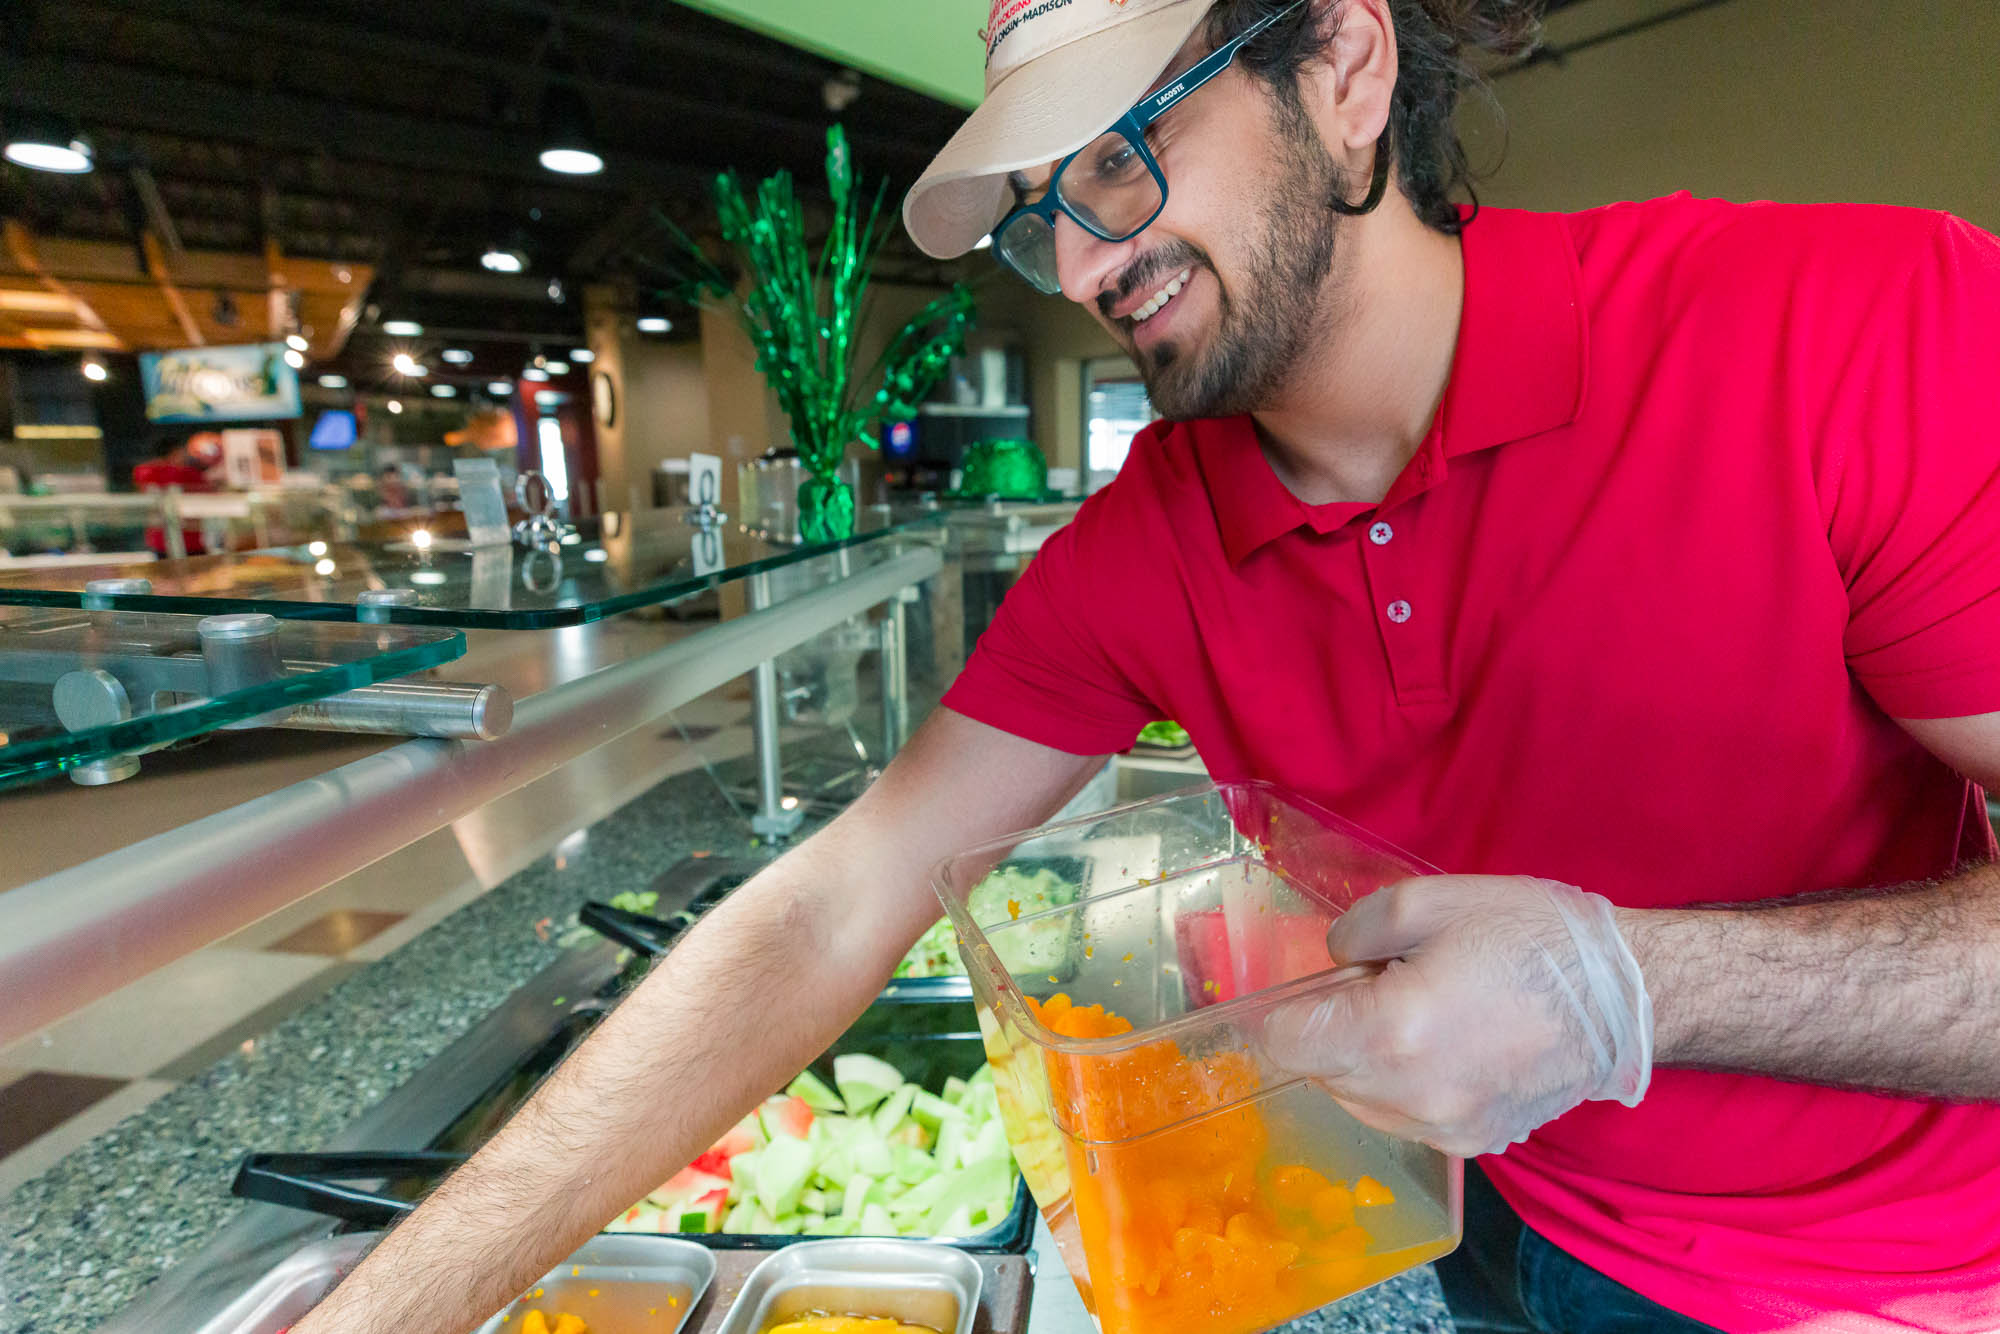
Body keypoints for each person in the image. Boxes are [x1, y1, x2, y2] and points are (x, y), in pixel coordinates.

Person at [295, 1, 2000, 1331]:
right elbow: (841, 897)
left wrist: (1639, 988)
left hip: (1896, 1283)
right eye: (1049, 212)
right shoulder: (1153, 542)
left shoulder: (1847, 324)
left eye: (1119, 156)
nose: (1092, 264)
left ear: (1341, 60)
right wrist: (395, 1298)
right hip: (1483, 1237)